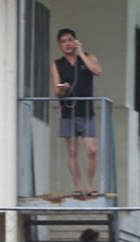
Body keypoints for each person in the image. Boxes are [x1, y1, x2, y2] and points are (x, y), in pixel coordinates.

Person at [51, 27, 103, 198]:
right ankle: (77, 186)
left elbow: (97, 71)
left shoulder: (88, 57)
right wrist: (63, 89)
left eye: (70, 40)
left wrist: (81, 54)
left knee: (92, 149)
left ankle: (89, 186)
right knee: (72, 150)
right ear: (60, 45)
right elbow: (56, 91)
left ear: (76, 41)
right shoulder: (57, 64)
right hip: (68, 111)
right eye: (63, 41)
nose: (67, 44)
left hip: (87, 111)